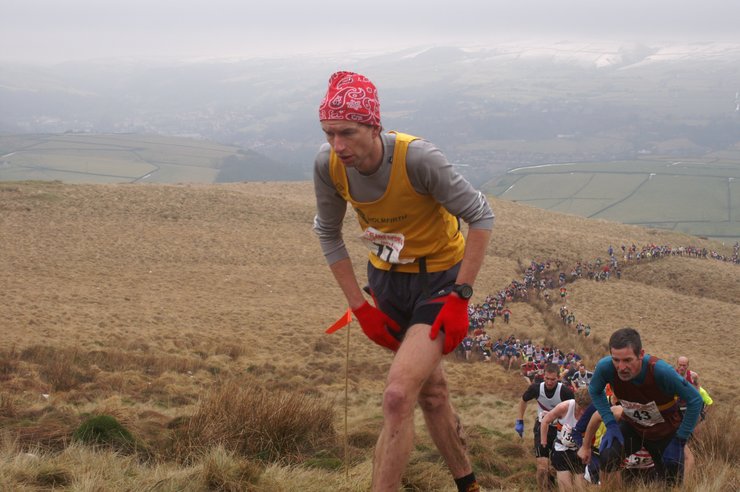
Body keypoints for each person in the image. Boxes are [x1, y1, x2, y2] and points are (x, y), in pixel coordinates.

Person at [313, 71, 493, 492]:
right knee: (431, 394)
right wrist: (360, 307)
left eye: (347, 132)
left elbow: (481, 216)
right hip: (387, 284)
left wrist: (461, 297)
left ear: (374, 127)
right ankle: (468, 485)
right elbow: (328, 233)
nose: (338, 146)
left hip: (440, 281)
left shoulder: (418, 160)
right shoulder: (328, 165)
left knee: (397, 396)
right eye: (328, 134)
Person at [588, 327, 703, 487]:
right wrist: (610, 423)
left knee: (672, 477)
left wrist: (680, 439)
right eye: (616, 360)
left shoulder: (661, 371)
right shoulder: (606, 367)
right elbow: (594, 390)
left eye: (627, 360)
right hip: (633, 427)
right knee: (608, 455)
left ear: (641, 354)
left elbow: (695, 400)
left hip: (664, 431)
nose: (621, 367)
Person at [516, 363, 575, 491]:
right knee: (542, 467)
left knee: (554, 467)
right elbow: (523, 400)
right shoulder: (536, 388)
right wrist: (520, 420)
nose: (549, 382)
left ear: (558, 378)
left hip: (559, 430)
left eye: (553, 379)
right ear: (543, 376)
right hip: (541, 427)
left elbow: (575, 410)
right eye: (547, 378)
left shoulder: (565, 392)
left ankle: (553, 485)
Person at [539, 387, 592, 491]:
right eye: (580, 407)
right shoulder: (564, 407)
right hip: (562, 450)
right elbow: (545, 421)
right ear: (576, 402)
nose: (582, 412)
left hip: (580, 452)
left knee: (580, 488)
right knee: (566, 489)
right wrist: (543, 441)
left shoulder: (593, 411)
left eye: (586, 409)